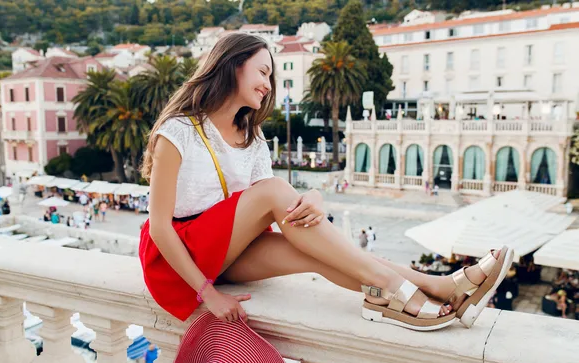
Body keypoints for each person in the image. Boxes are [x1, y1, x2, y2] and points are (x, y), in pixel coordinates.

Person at [138, 32, 513, 333]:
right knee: (274, 194)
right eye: (263, 71)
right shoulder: (179, 130)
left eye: (271, 76)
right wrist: (208, 295)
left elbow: (277, 208)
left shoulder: (253, 140)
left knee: (317, 254)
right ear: (233, 65)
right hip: (177, 255)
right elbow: (159, 226)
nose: (269, 84)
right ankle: (396, 287)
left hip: (225, 252)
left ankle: (428, 289)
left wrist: (314, 197)